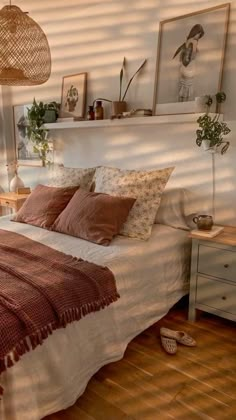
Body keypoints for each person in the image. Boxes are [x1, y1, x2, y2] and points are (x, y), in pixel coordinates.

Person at [173, 24, 204, 102]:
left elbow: (181, 53)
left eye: (200, 35)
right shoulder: (194, 42)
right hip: (189, 67)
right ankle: (185, 106)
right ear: (195, 32)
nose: (198, 37)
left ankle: (180, 105)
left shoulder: (187, 41)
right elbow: (193, 56)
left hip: (183, 66)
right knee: (187, 88)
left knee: (183, 87)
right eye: (198, 34)